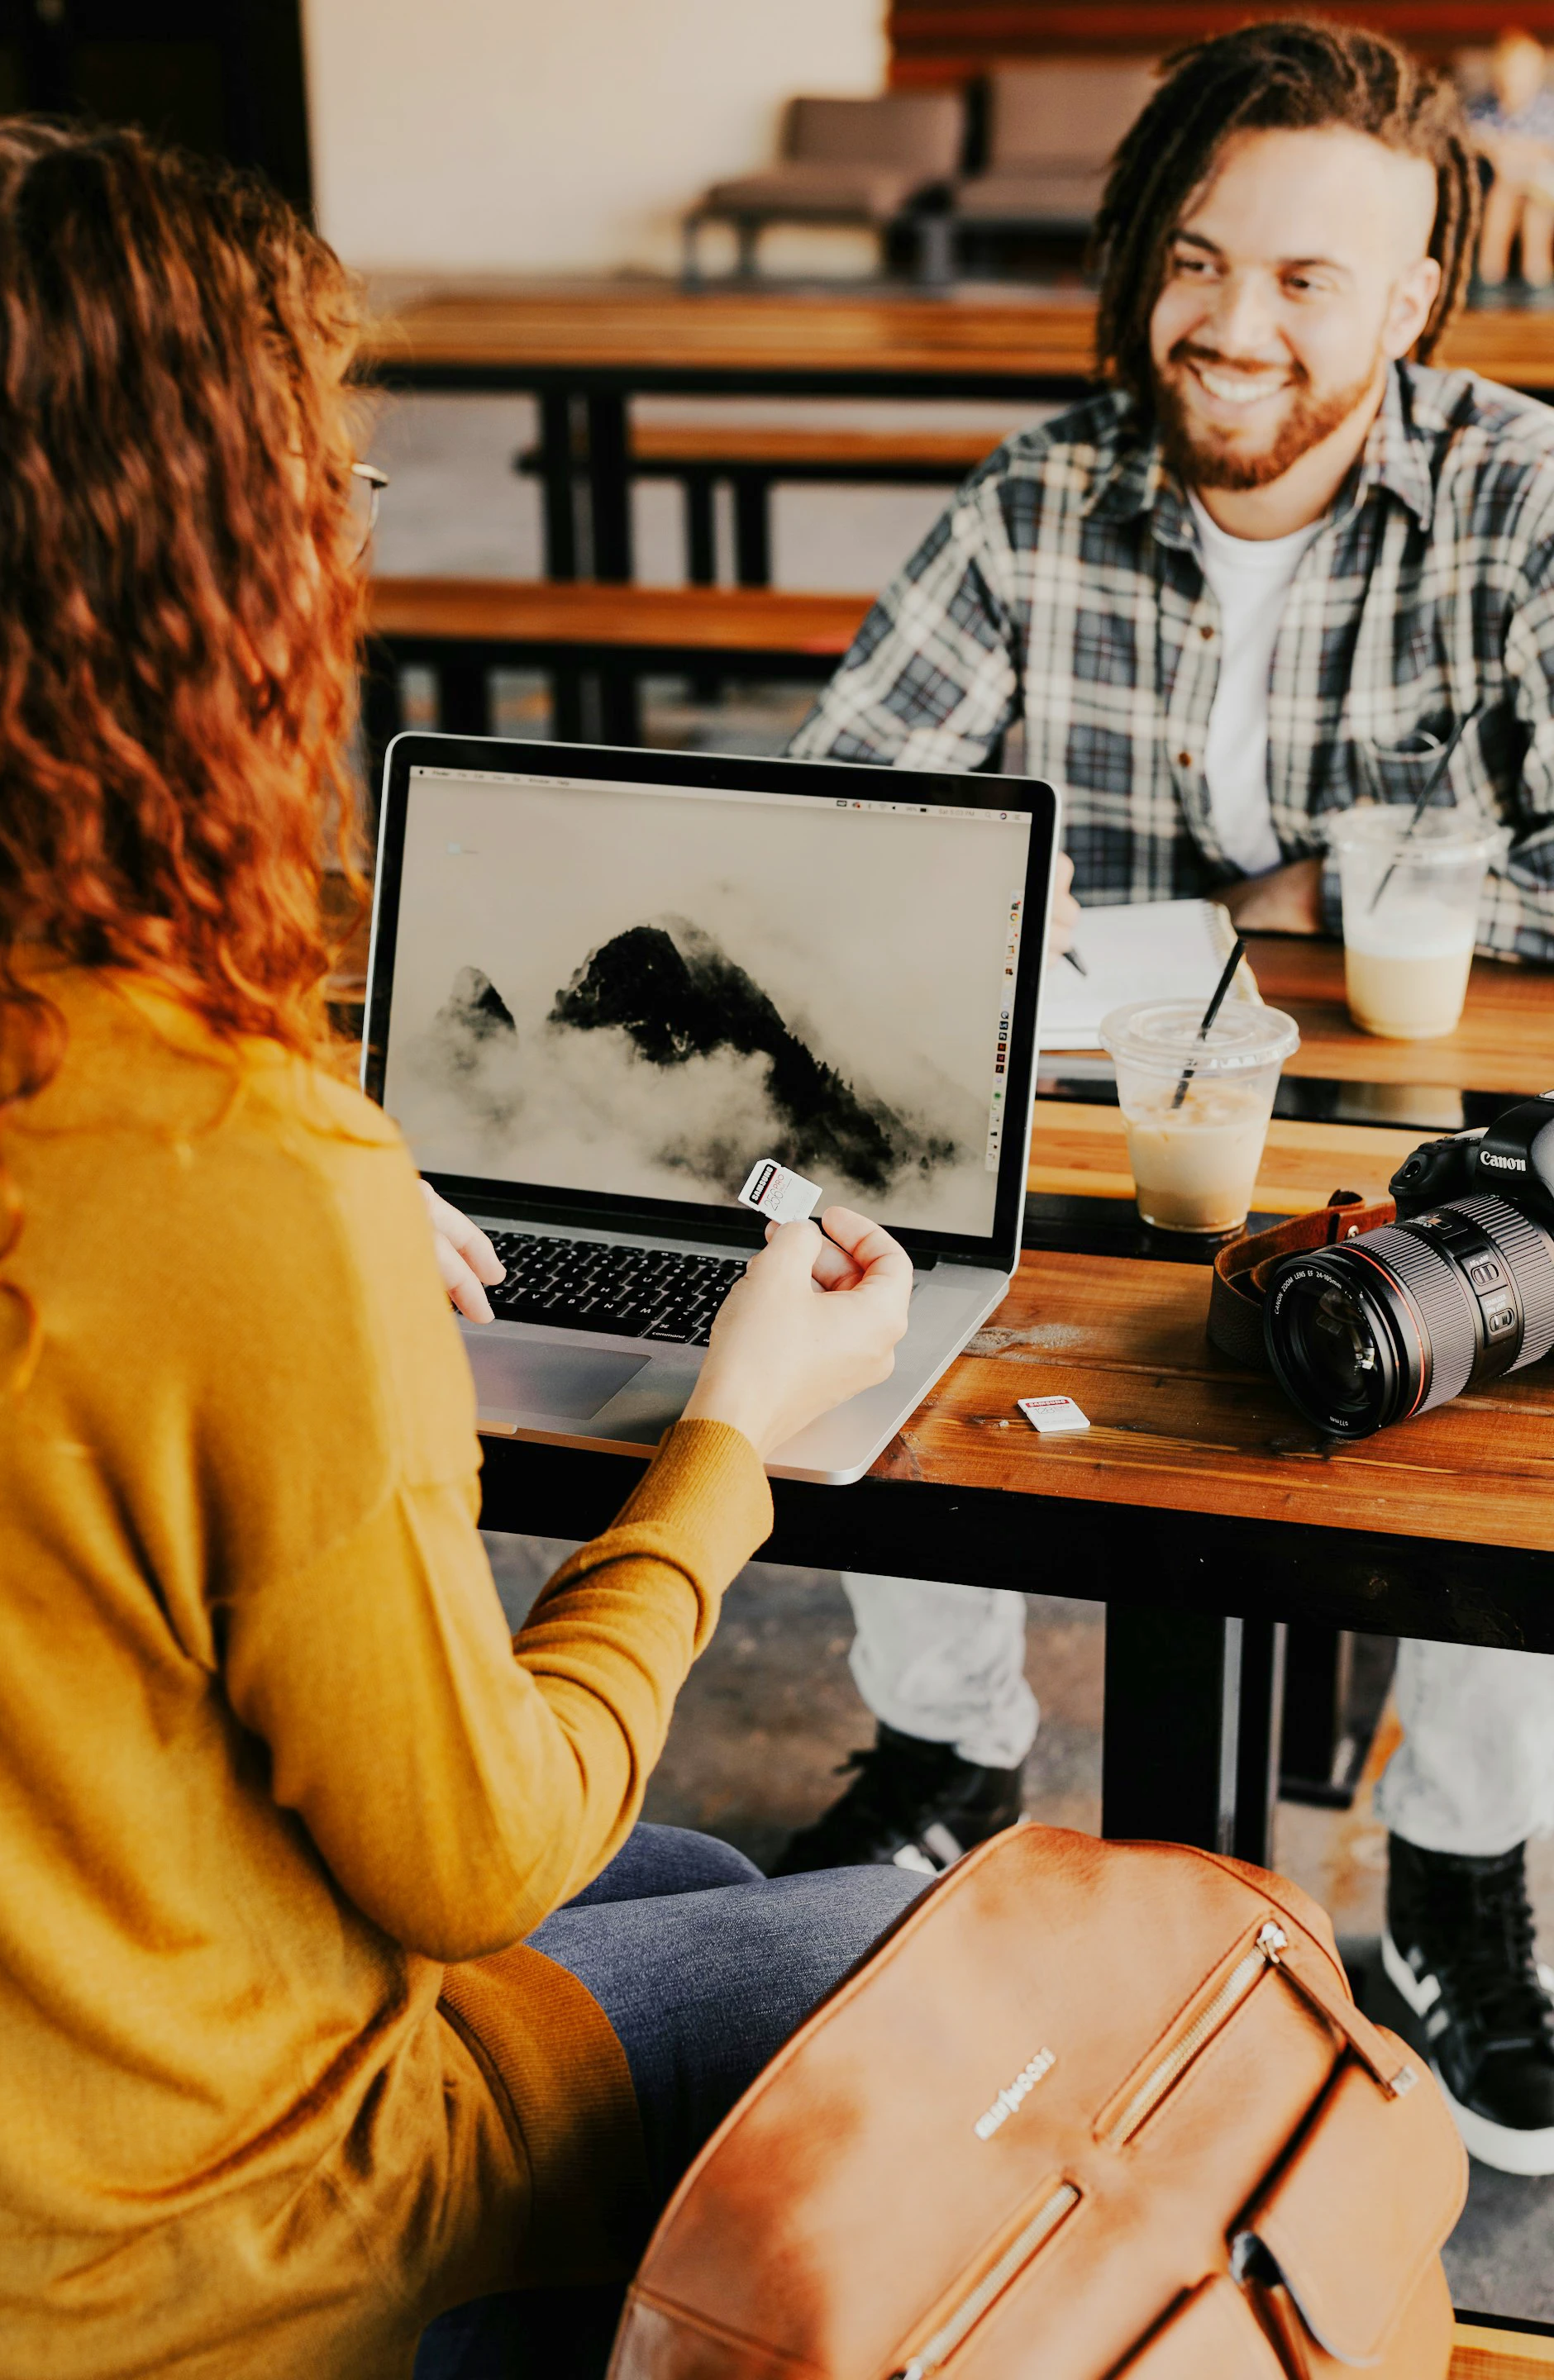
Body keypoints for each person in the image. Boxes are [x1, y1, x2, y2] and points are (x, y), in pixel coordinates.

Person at [0, 120, 924, 2380]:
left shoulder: (162, 1137)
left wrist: (285, 1219)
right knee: (920, 1935)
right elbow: (469, 1864)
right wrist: (734, 1443)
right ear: (205, 576)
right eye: (334, 496)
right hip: (169, 2255)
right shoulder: (222, 1161)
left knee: (688, 1885)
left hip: (39, 2051)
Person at [783, 17, 1554, 2178]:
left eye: (1310, 282)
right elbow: (842, 825)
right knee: (843, 1205)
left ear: (1416, 300)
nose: (1228, 326)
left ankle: (1457, 1874)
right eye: (1199, 258)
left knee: (1523, 1340)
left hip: (1424, 1135)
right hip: (1106, 1115)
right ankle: (944, 1745)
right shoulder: (1038, 501)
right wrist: (1327, 878)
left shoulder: (1522, 499)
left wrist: (1273, 894)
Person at [1467, 27, 1554, 304]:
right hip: (1502, 184)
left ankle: (1536, 275)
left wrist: (1518, 154)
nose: (1512, 80)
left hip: (1544, 188)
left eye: (1521, 72)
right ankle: (1491, 275)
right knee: (1504, 195)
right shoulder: (1486, 108)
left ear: (1537, 75)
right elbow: (1471, 136)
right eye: (1508, 71)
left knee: (1534, 210)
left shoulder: (1547, 109)